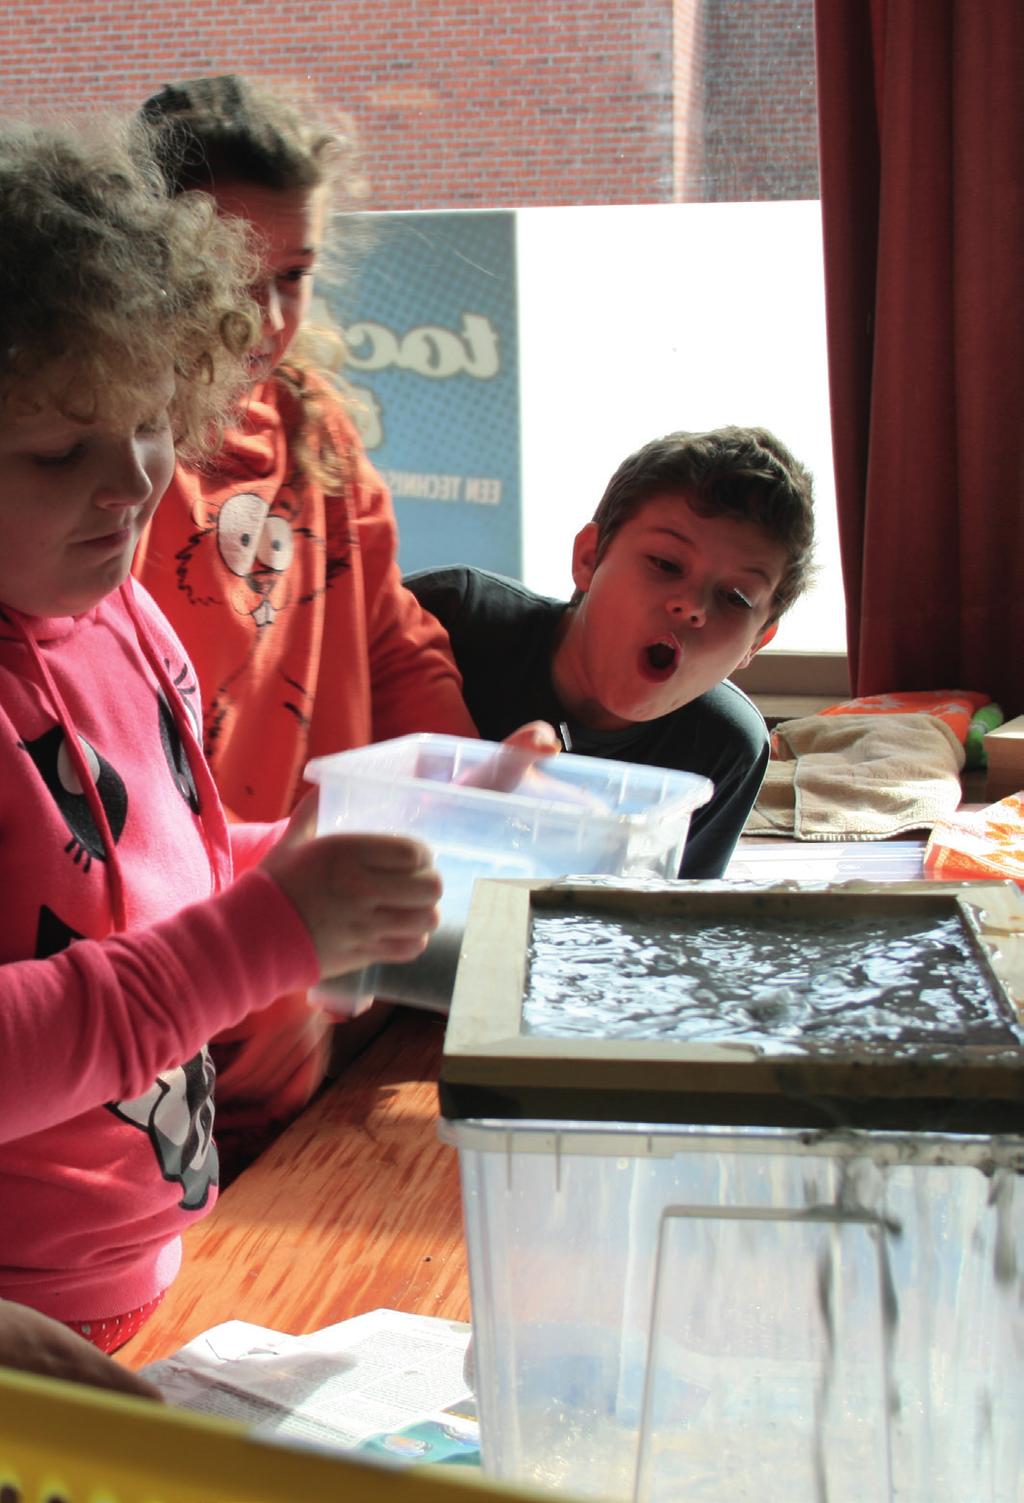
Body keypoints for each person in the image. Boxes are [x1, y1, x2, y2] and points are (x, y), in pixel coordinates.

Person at [0, 117, 442, 1390]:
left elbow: (143, 875)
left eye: (151, 424)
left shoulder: (121, 611)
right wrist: (263, 934)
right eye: (54, 452)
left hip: (145, 1273)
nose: (133, 483)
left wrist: (300, 870)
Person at [128, 75, 498, 1177]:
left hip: (297, 1003)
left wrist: (475, 782)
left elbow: (391, 641)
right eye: (234, 284)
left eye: (293, 279)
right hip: (153, 1009)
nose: (272, 321)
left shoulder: (313, 425)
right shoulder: (107, 465)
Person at [407, 426, 817, 879]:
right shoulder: (448, 619)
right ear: (589, 557)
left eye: (736, 597)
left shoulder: (724, 746)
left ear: (757, 642)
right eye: (665, 564)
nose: (692, 607)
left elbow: (665, 923)